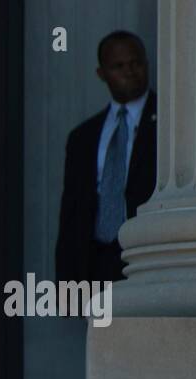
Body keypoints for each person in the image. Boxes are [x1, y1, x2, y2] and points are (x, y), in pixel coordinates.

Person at [56, 30, 157, 283]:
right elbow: (71, 212)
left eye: (136, 63)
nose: (129, 71)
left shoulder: (170, 125)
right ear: (101, 74)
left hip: (148, 257)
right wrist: (67, 282)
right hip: (95, 264)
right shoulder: (82, 137)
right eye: (119, 66)